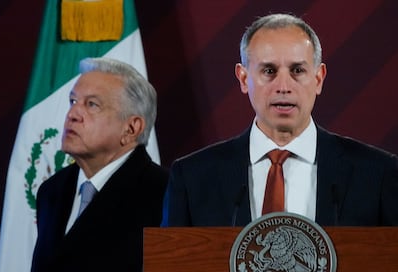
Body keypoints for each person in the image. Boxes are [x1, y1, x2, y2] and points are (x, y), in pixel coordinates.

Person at [161, 13, 398, 227]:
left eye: (297, 71)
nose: (283, 87)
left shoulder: (377, 173)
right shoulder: (193, 177)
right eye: (269, 71)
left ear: (318, 78)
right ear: (243, 78)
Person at [23, 57, 168, 272]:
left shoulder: (164, 194)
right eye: (72, 101)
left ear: (131, 128)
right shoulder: (53, 189)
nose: (72, 114)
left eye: (92, 105)